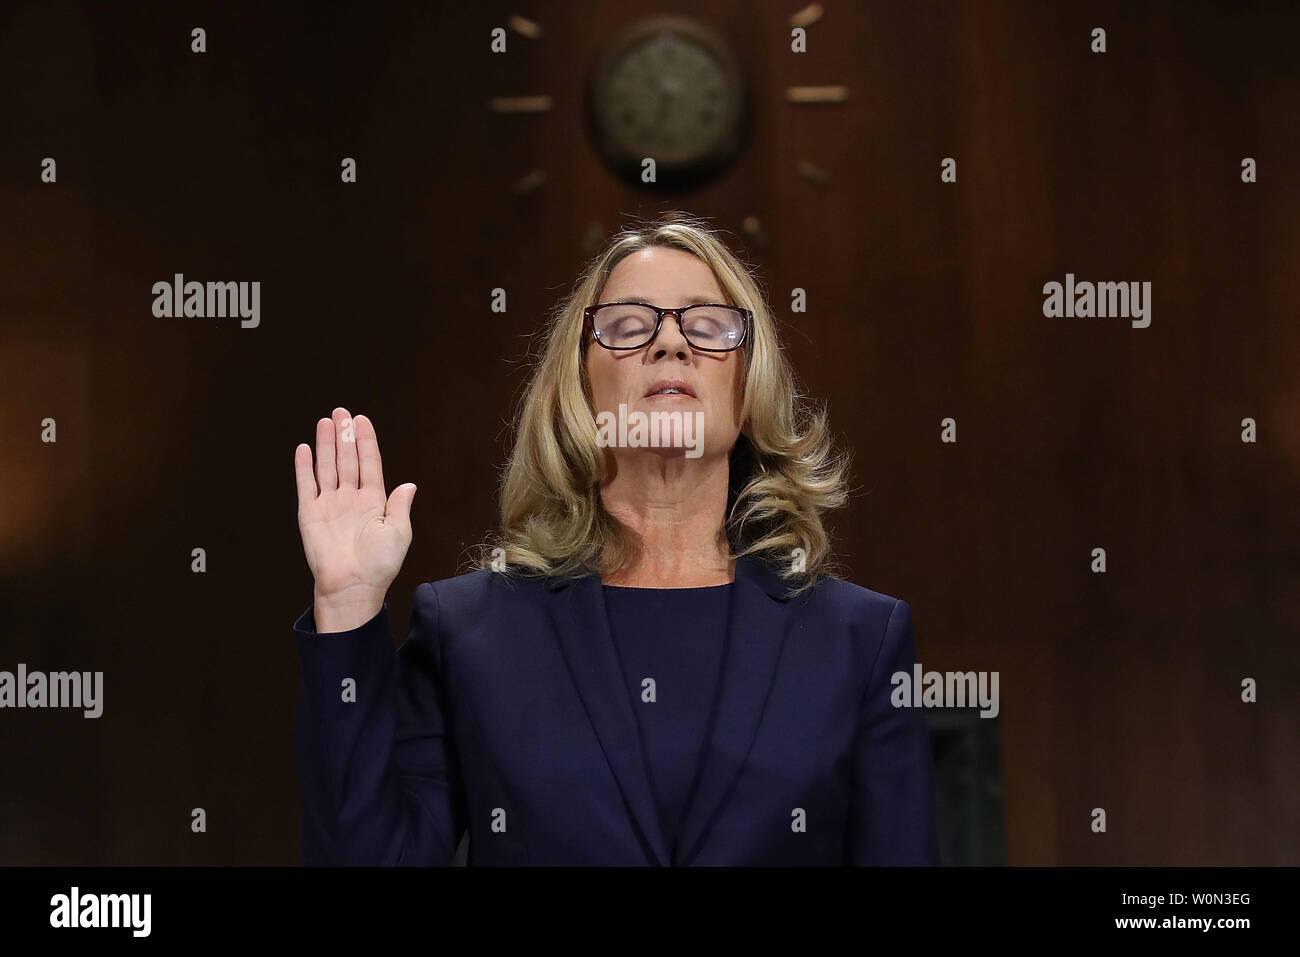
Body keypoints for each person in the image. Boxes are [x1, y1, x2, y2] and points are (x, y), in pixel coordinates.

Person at [290, 212, 941, 866]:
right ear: (581, 384)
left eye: (708, 326)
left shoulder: (859, 639)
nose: (671, 344)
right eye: (630, 326)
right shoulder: (469, 630)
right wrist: (347, 608)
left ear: (747, 388)